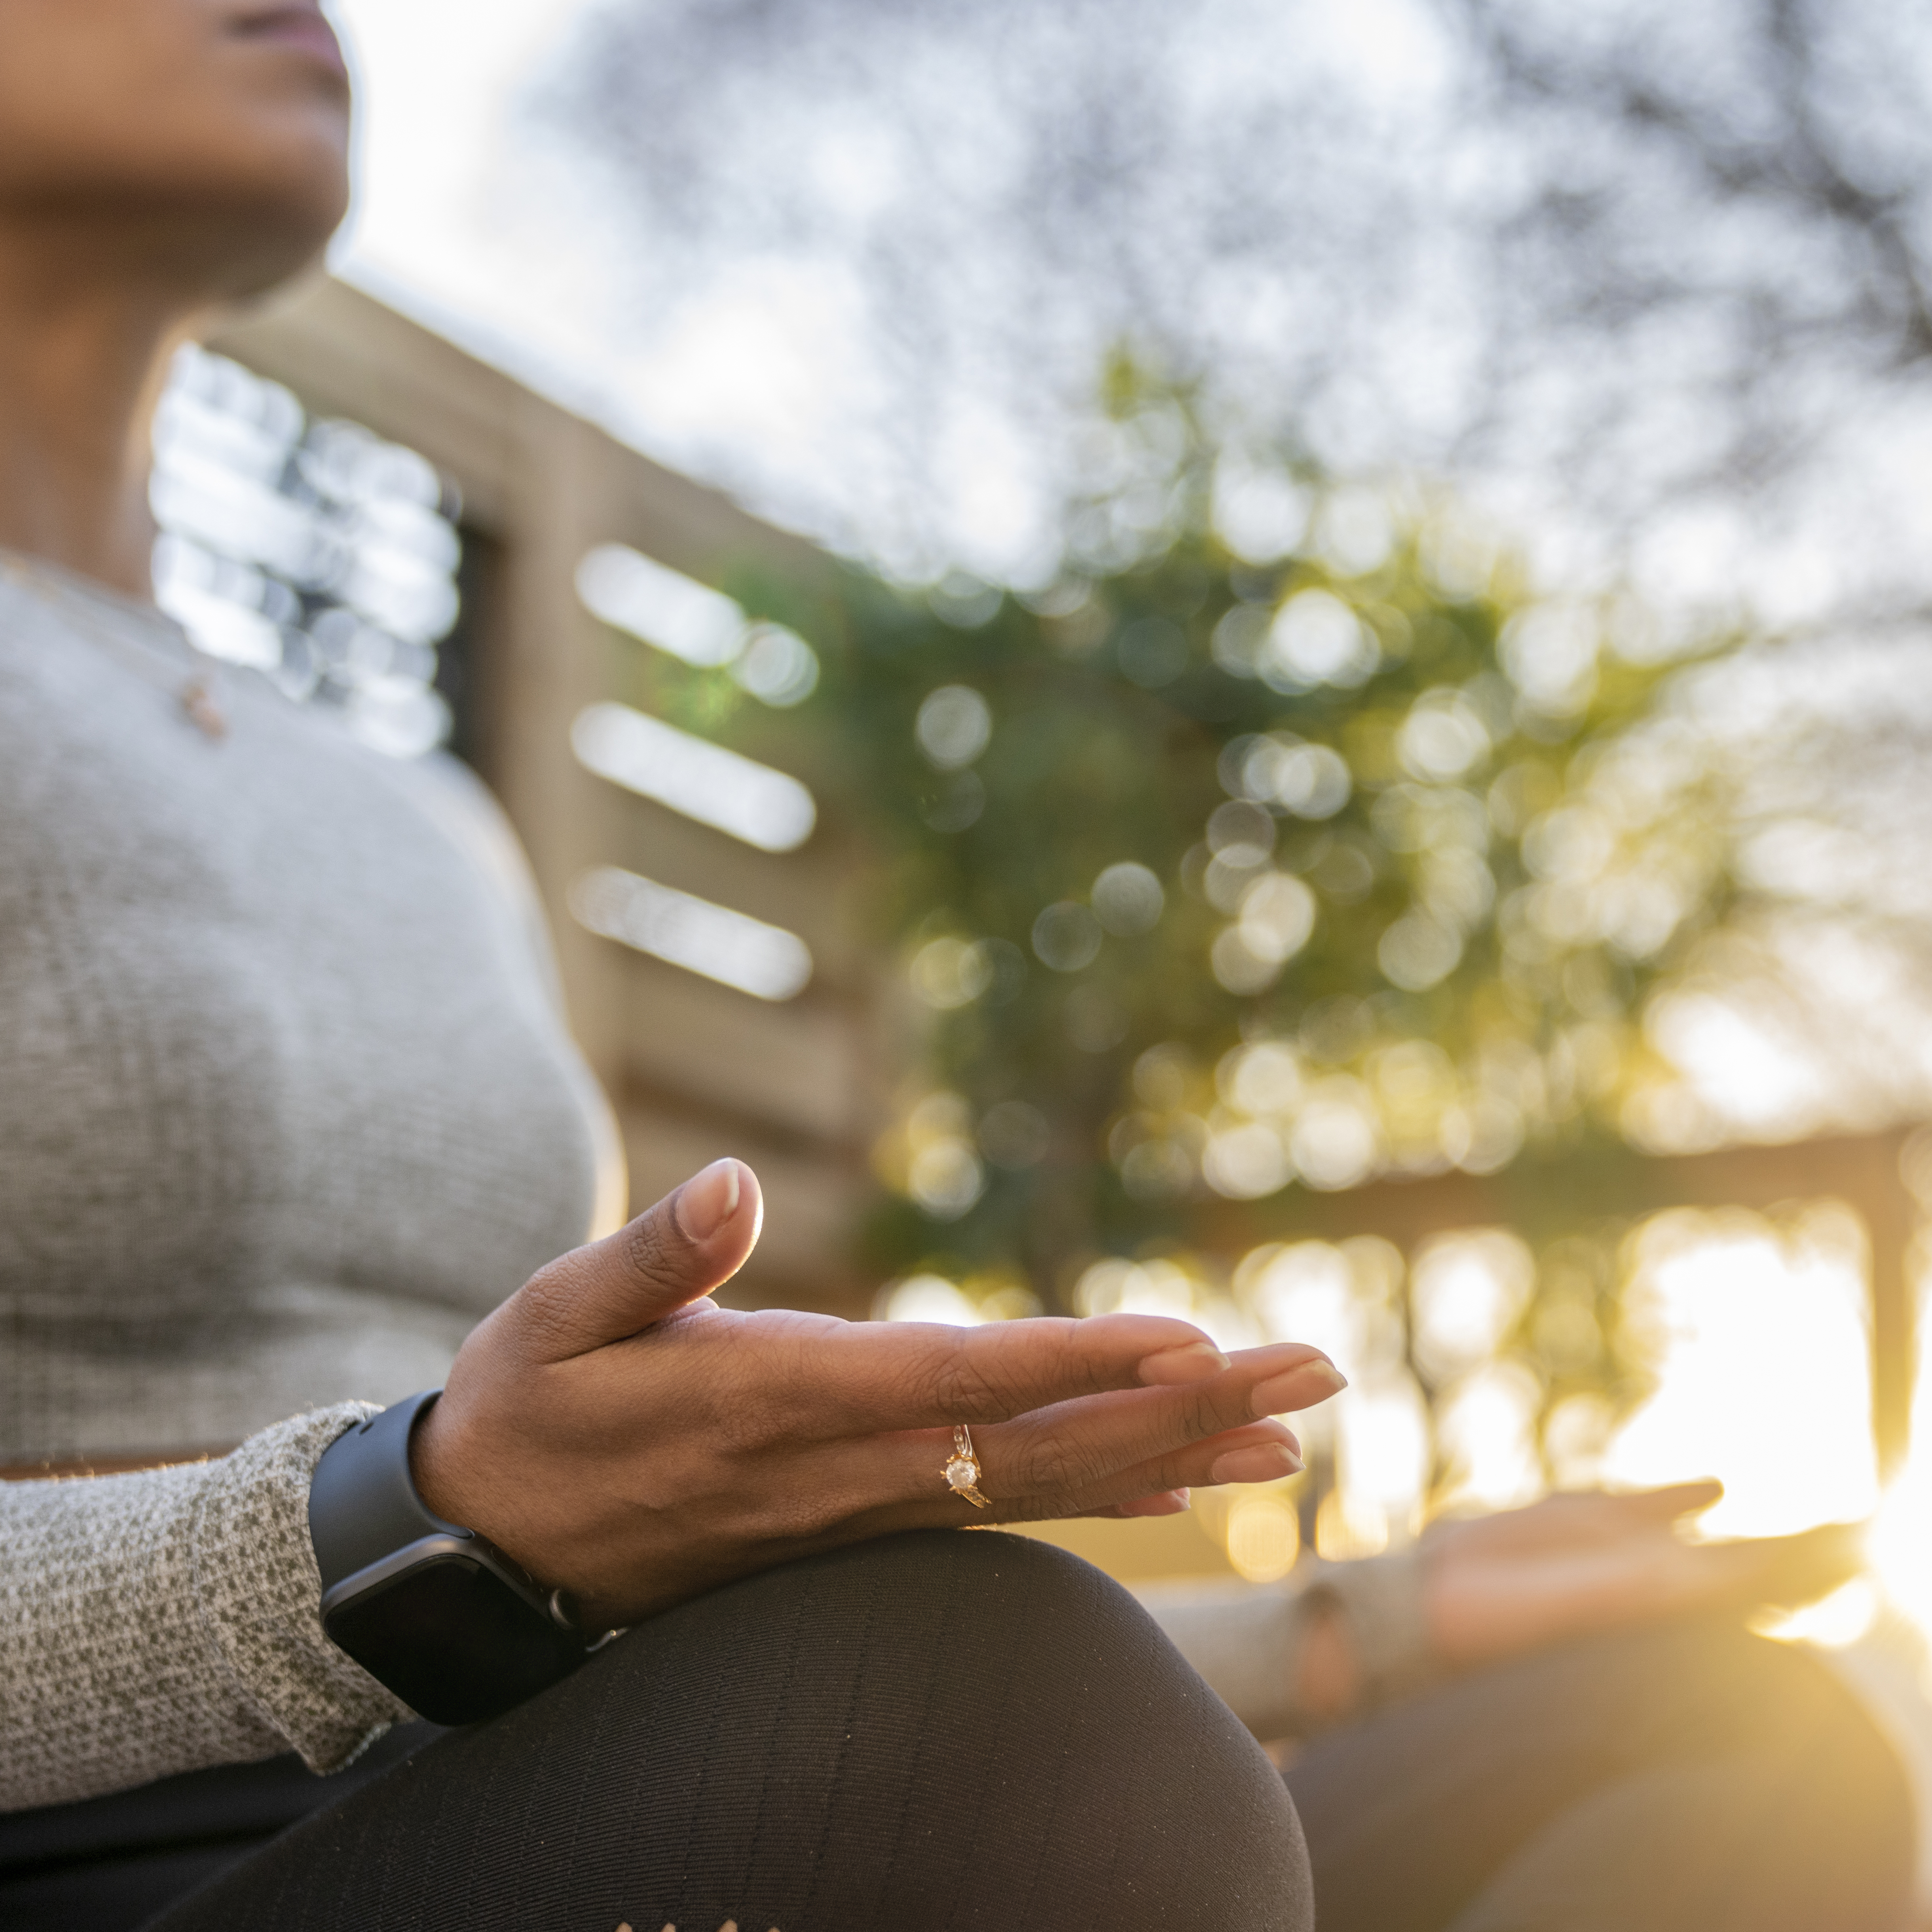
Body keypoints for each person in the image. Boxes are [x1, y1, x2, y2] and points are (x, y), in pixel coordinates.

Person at [0, 4, 1337, 1926]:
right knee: (1010, 1714)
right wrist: (401, 1530)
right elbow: (473, 1536)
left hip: (496, 1805)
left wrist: (1346, 1628)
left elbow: (584, 1572)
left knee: (1695, 1725)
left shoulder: (419, 818)